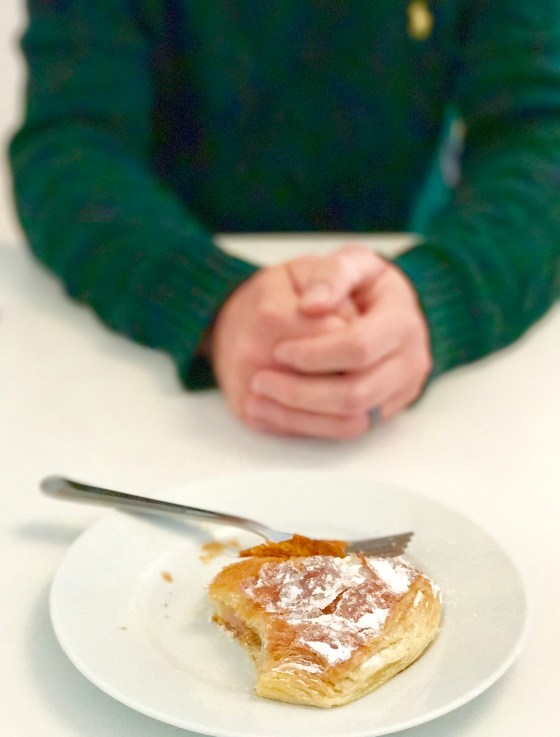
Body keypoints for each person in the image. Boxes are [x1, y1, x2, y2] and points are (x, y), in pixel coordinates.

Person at [9, 1, 560, 440]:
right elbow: (69, 145)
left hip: (403, 291)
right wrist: (211, 300)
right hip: (150, 346)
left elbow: (539, 132)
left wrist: (437, 294)